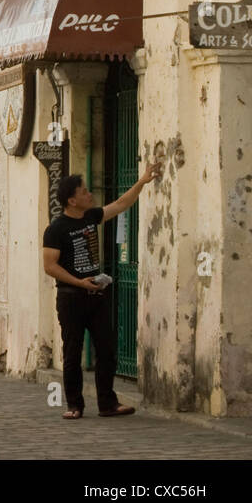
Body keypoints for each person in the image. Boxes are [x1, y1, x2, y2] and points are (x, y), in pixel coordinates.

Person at [42, 162, 162, 419]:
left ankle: (108, 403)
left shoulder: (90, 217)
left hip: (96, 295)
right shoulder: (56, 229)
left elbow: (120, 205)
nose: (90, 195)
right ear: (72, 200)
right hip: (71, 298)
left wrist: (142, 181)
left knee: (106, 349)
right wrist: (79, 282)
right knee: (72, 352)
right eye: (84, 192)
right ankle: (74, 405)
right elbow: (50, 266)